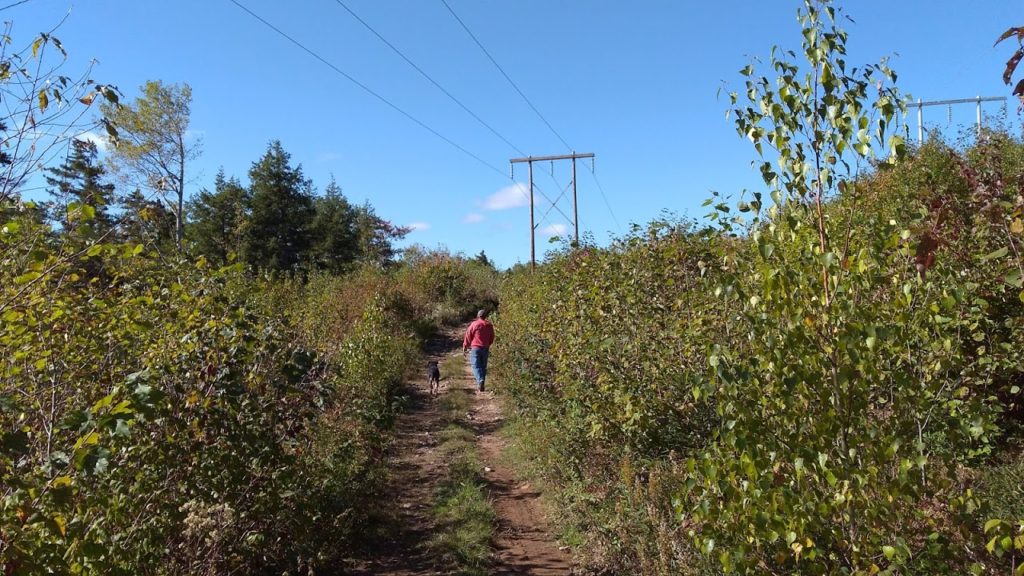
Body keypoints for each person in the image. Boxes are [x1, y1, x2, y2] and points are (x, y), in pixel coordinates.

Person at [463, 309, 495, 392]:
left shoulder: (474, 324)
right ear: (485, 316)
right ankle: (481, 382)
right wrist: (488, 343)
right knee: (483, 366)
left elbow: (468, 335)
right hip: (485, 348)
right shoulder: (489, 325)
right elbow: (492, 337)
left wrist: (465, 345)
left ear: (478, 316)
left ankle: (480, 380)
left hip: (476, 348)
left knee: (476, 365)